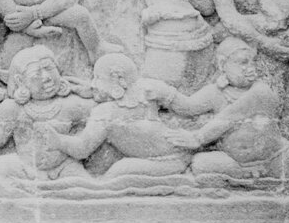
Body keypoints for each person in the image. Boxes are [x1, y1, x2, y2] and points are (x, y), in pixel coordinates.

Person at [159, 37, 289, 180]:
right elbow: (188, 107)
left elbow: (230, 116)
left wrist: (199, 137)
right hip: (236, 162)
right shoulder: (216, 92)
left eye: (252, 62)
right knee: (199, 163)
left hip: (274, 161)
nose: (250, 68)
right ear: (222, 64)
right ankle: (244, 176)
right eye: (242, 62)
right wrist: (164, 92)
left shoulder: (261, 91)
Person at [41, 53, 194, 178]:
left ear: (117, 78)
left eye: (97, 78)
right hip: (179, 153)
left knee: (119, 171)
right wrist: (87, 90)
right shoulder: (148, 88)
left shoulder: (106, 113)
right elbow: (188, 107)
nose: (93, 83)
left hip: (167, 160)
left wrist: (58, 141)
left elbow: (82, 149)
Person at [0, 46, 95, 185]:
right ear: (20, 81)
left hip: (63, 167)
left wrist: (87, 91)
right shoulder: (13, 108)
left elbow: (100, 112)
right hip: (24, 167)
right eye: (37, 74)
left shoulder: (70, 105)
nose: (47, 78)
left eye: (50, 69)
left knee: (86, 184)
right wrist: (3, 124)